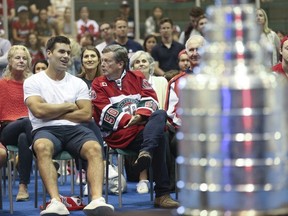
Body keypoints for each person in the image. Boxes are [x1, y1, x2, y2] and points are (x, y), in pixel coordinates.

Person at [23, 35, 114, 215]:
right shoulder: (33, 81)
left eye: (68, 53)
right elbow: (38, 111)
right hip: (45, 130)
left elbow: (86, 114)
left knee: (95, 147)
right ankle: (56, 202)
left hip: (76, 130)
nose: (65, 56)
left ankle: (96, 200)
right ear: (49, 53)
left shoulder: (77, 83)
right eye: (61, 51)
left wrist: (50, 109)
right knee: (41, 146)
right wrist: (68, 105)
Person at [91, 44, 179, 208]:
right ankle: (162, 194)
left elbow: (151, 100)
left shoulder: (137, 77)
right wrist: (130, 120)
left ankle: (146, 151)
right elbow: (103, 112)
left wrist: (138, 117)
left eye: (107, 61)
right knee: (158, 137)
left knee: (160, 114)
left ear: (120, 64)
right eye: (102, 61)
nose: (102, 64)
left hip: (142, 132)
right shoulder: (98, 84)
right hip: (119, 135)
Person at [129, 50, 168, 194]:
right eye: (137, 62)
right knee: (151, 134)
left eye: (144, 61)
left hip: (160, 121)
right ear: (132, 67)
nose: (141, 64)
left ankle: (145, 177)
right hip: (138, 124)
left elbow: (164, 105)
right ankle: (155, 185)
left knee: (159, 121)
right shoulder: (130, 84)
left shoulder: (161, 81)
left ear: (150, 64)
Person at [0, 45, 33, 202]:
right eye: (17, 58)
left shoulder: (32, 83)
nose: (21, 61)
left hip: (26, 132)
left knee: (23, 138)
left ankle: (23, 187)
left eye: (24, 58)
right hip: (6, 130)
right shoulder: (2, 84)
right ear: (10, 61)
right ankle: (41, 152)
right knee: (26, 121)